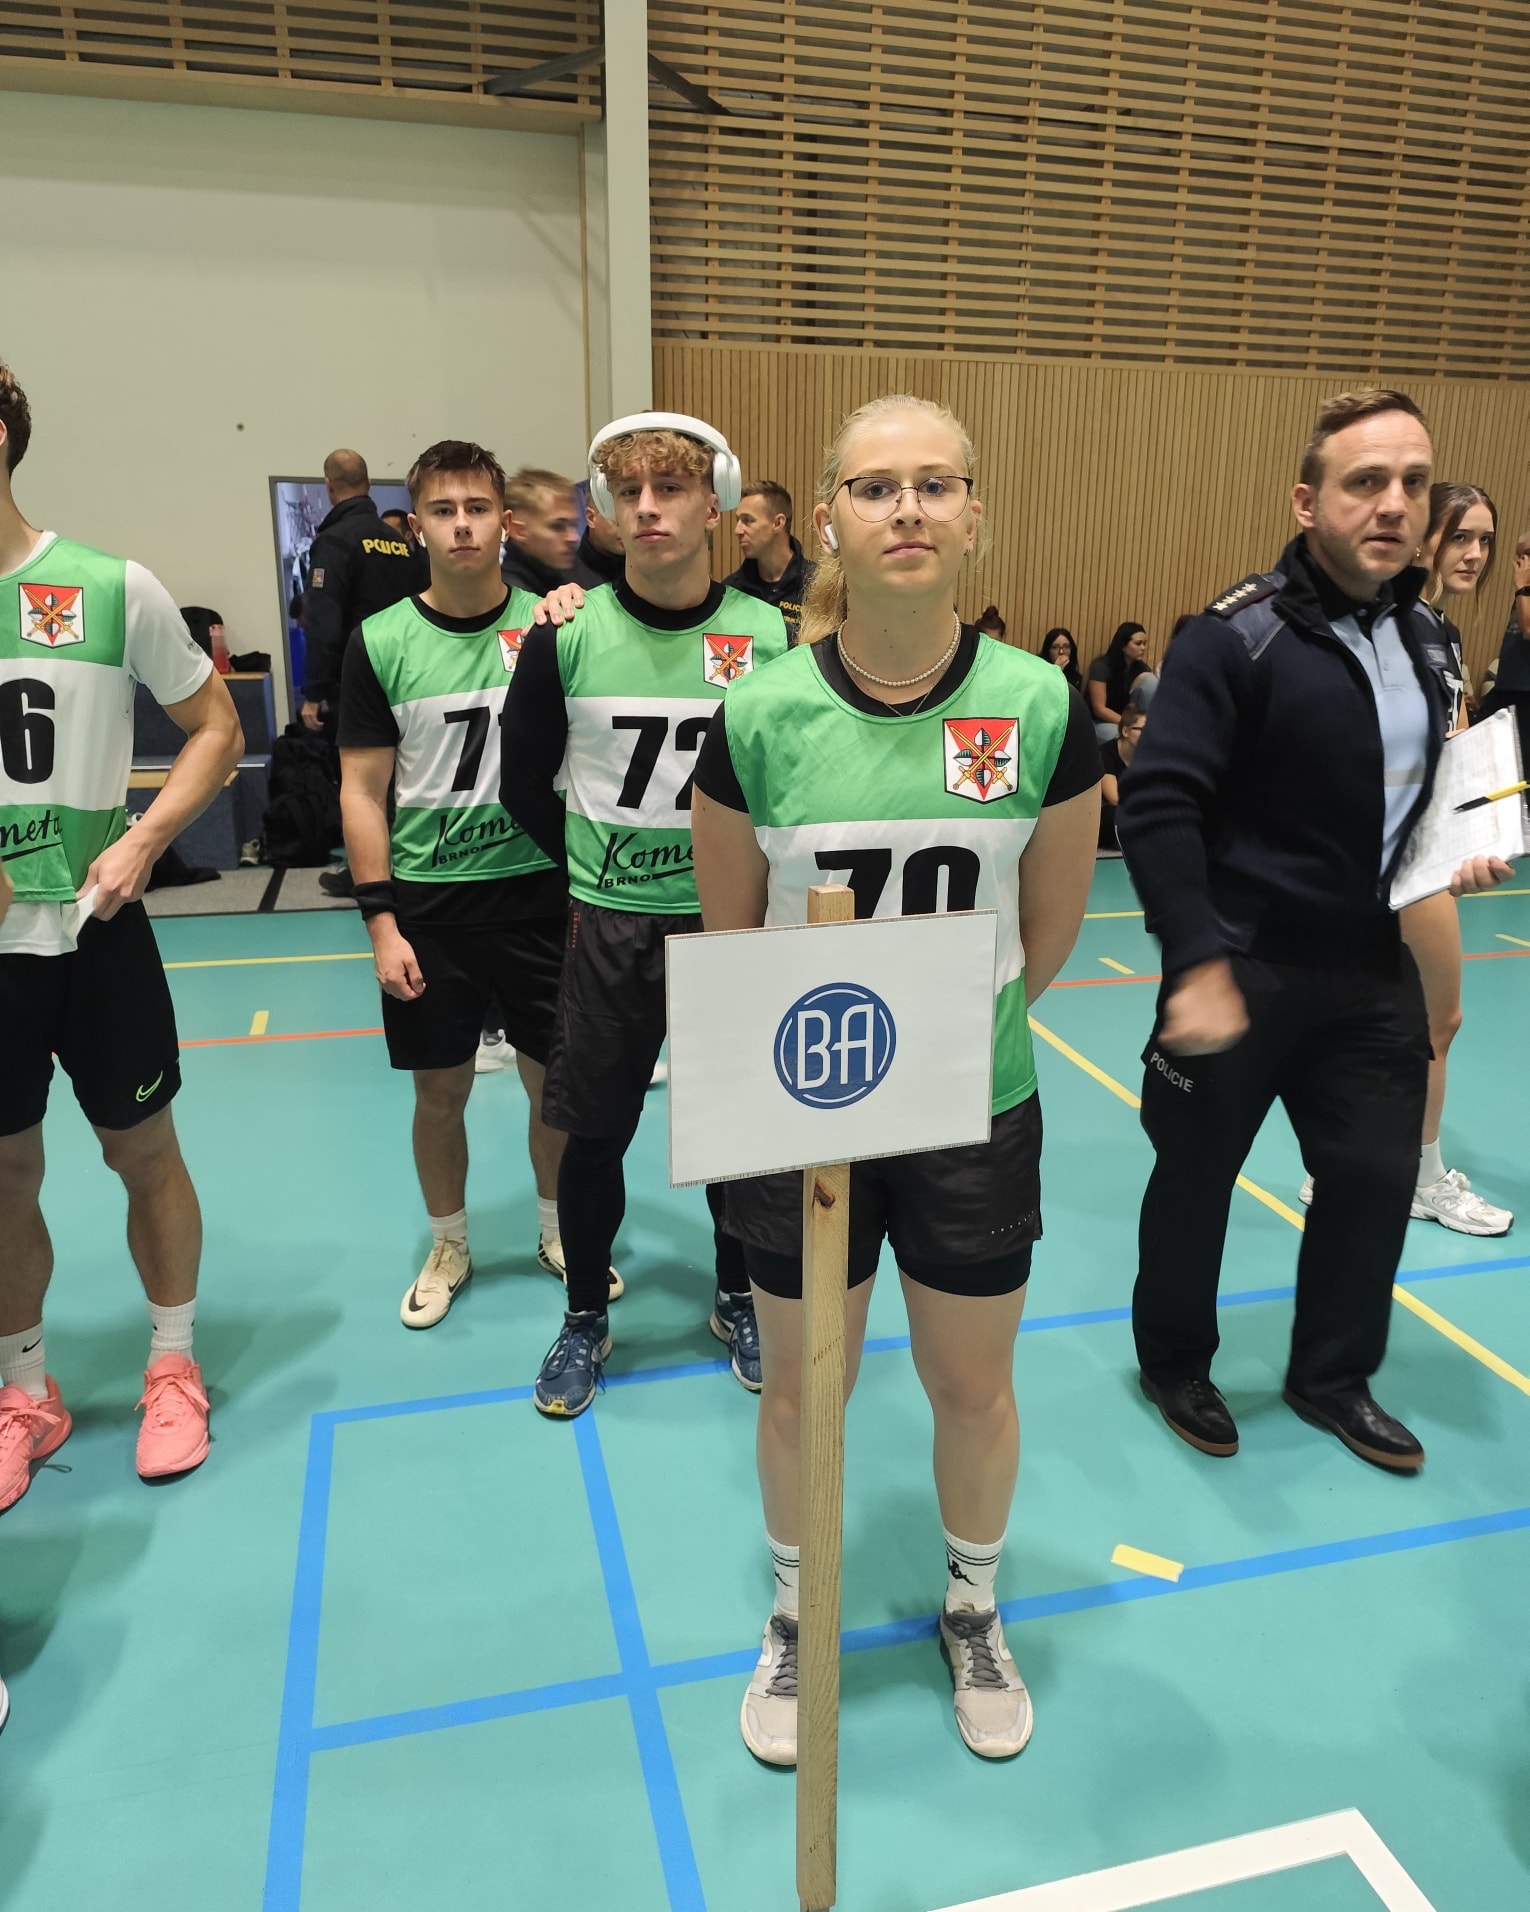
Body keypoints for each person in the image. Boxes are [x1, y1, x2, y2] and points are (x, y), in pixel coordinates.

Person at [691, 392, 1101, 1766]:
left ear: (975, 516)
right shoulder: (759, 712)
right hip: (798, 1103)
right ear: (827, 521)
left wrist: (936, 1044)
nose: (907, 508)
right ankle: (797, 1611)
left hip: (970, 1105)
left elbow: (1047, 931)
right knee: (801, 1389)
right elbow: (731, 929)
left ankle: (971, 1604)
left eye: (936, 484)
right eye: (875, 487)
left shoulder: (1039, 705)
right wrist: (836, 1056)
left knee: (970, 1385)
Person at [1118, 388, 1514, 1477]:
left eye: (1413, 483)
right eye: (1365, 481)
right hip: (1240, 962)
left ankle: (1333, 1377)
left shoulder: (1429, 638)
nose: (1394, 504)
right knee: (1195, 1178)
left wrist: (1456, 849)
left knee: (1375, 1180)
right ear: (1307, 501)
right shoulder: (1233, 637)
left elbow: (1413, 796)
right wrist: (1195, 960)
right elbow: (1159, 803)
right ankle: (1175, 1362)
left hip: (1368, 964)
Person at [500, 412, 790, 1418]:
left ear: (718, 508)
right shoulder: (566, 631)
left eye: (671, 489)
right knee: (594, 1135)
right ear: (608, 511)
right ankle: (585, 1314)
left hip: (728, 923)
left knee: (736, 1133)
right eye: (630, 492)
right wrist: (594, 867)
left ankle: (737, 1294)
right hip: (609, 923)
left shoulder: (770, 637)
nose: (650, 508)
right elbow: (521, 784)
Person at [0, 359, 244, 1508]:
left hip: (95, 929)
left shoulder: (106, 586)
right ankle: (23, 1389)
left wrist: (145, 838)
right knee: (4, 1174)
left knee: (143, 1154)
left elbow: (214, 726)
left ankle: (172, 1363)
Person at [336, 440, 598, 1325]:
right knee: (439, 1091)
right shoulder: (380, 641)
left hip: (540, 898)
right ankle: (449, 1241)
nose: (461, 526)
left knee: (550, 1087)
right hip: (432, 908)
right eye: (443, 511)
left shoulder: (556, 626)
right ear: (416, 526)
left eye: (477, 509)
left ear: (505, 523)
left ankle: (558, 1231)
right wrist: (381, 923)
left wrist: (575, 600)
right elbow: (362, 790)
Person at [1300, 483, 1510, 1237]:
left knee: (1377, 1020)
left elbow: (1453, 743)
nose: (1475, 554)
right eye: (1461, 537)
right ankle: (1420, 1179)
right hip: (1392, 855)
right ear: (1424, 539)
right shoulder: (1386, 625)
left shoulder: (1439, 631)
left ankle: (1337, 1165)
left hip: (1417, 846)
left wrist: (1482, 820)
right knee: (1436, 1021)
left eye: (1485, 541)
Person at [299, 450, 428, 732]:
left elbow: (323, 621)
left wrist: (314, 691)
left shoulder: (333, 543)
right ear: (367, 483)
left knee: (359, 759)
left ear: (329, 486)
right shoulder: (398, 542)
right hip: (407, 677)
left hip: (356, 681)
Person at [726, 478, 816, 641]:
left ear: (777, 523)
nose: (737, 530)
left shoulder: (816, 585)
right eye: (737, 520)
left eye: (747, 520)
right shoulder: (732, 591)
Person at [1480, 530, 1530, 764]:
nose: (1522, 563)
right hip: (1506, 688)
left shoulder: (1524, 590)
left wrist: (1522, 588)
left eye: (1528, 555)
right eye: (1519, 556)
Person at [501, 467, 580, 597]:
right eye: (557, 526)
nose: (574, 537)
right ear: (519, 531)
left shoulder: (563, 578)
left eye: (574, 525)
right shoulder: (510, 599)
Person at [1086, 621, 1152, 737]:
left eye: (1144, 643)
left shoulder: (1142, 668)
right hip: (1099, 722)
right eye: (1138, 643)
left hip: (1130, 722)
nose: (1143, 648)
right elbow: (1099, 709)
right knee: (1121, 737)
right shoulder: (1101, 666)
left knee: (1150, 680)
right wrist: (1127, 724)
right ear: (1123, 645)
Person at [1099, 700, 1146, 851]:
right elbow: (1114, 798)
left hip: (1135, 811)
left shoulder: (1147, 756)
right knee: (1113, 813)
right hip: (1107, 814)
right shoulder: (1105, 753)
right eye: (1143, 729)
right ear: (1125, 732)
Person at [571, 497, 624, 590]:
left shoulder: (644, 562)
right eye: (616, 519)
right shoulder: (564, 580)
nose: (626, 528)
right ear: (591, 518)